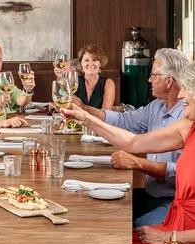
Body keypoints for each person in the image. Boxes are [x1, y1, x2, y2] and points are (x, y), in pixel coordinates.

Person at [61, 61, 195, 244]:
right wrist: (86, 118)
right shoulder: (188, 127)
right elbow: (133, 142)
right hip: (177, 225)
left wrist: (169, 238)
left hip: (187, 242)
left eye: (187, 89)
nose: (182, 95)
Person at [74, 48, 190, 227]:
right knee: (101, 213)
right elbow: (124, 121)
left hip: (174, 200)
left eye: (153, 75)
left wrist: (138, 163)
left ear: (168, 81)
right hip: (150, 194)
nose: (149, 79)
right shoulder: (156, 107)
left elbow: (183, 173)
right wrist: (85, 111)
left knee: (130, 231)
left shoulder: (187, 118)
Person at [71, 44, 115, 109]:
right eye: (86, 60)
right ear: (81, 63)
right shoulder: (74, 81)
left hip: (99, 119)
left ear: (100, 63)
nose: (90, 63)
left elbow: (106, 114)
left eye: (94, 60)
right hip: (75, 119)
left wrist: (82, 106)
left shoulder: (108, 83)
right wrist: (60, 77)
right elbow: (61, 93)